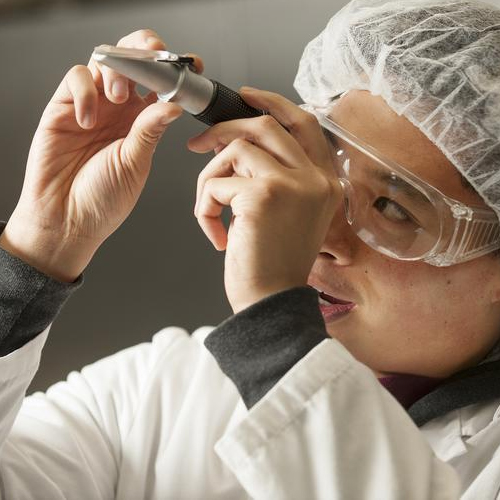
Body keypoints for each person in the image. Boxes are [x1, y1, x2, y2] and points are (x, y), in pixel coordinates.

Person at [1, 0, 500, 497]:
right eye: (325, 179)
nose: (319, 237)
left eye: (394, 209)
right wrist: (37, 247)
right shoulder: (169, 386)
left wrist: (274, 324)